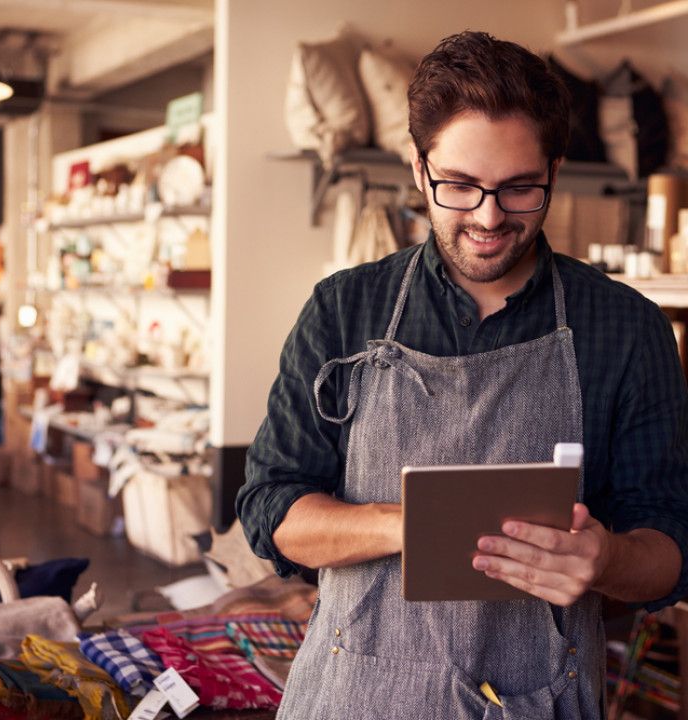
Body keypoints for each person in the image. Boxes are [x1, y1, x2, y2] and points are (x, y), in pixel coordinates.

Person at [236, 31, 688, 719]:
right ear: (420, 171)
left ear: (555, 171)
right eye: (460, 186)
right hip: (356, 697)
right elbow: (272, 510)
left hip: (541, 700)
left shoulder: (625, 329)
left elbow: (670, 546)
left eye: (518, 189)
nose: (488, 216)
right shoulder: (343, 310)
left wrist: (606, 560)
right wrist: (415, 524)